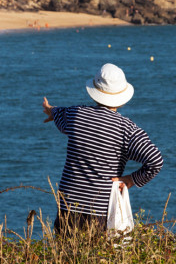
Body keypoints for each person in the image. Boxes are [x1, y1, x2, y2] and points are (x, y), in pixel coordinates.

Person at [42, 63, 163, 234]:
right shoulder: (126, 129)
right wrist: (131, 179)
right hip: (100, 208)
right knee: (95, 257)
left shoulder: (76, 114)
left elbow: (59, 113)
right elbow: (155, 161)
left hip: (67, 203)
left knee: (66, 255)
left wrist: (50, 110)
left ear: (94, 91)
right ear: (121, 97)